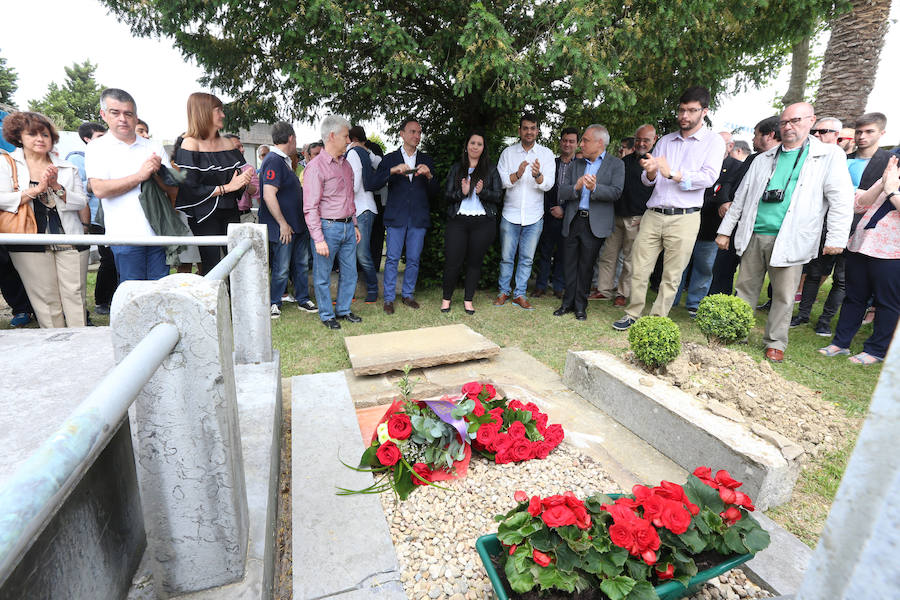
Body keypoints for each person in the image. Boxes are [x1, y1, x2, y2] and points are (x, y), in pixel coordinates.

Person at [715, 102, 853, 363]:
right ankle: (736, 333)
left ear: (811, 121)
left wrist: (836, 238)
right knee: (744, 288)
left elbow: (841, 199)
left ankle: (775, 342)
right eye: (784, 122)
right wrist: (725, 232)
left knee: (783, 295)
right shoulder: (764, 157)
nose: (789, 126)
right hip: (755, 232)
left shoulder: (829, 155)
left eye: (796, 120)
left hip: (791, 237)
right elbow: (742, 197)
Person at [612, 86, 726, 330]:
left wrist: (672, 173)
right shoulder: (665, 140)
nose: (684, 116)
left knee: (672, 274)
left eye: (691, 110)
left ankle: (657, 320)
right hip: (654, 213)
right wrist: (651, 173)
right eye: (682, 110)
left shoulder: (713, 142)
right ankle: (632, 314)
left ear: (704, 112)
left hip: (685, 217)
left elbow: (708, 178)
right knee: (639, 268)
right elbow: (649, 181)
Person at [1, 111, 88, 327]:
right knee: (45, 299)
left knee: (75, 295)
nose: (40, 139)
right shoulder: (6, 163)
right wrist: (36, 190)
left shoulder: (68, 166)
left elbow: (81, 202)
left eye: (45, 134)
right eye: (32, 134)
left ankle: (83, 344)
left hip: (70, 238)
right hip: (28, 240)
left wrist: (57, 188)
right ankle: (55, 349)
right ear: (19, 137)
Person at [86, 88, 173, 282]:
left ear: (136, 116)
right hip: (124, 235)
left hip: (158, 231)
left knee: (161, 291)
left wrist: (159, 173)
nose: (122, 119)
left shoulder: (154, 146)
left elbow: (172, 189)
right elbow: (99, 189)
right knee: (132, 294)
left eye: (128, 113)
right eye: (115, 113)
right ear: (104, 115)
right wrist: (140, 176)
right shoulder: (97, 148)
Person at [819, 157, 900, 364]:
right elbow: (858, 205)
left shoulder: (893, 185)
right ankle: (840, 343)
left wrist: (892, 191)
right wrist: (883, 183)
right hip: (862, 244)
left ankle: (875, 351)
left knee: (886, 303)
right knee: (854, 297)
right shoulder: (891, 176)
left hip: (892, 252)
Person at [174, 92, 252, 275]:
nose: (223, 115)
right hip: (205, 216)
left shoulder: (227, 143)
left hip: (231, 212)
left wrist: (242, 181)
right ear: (204, 112)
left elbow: (237, 179)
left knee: (237, 263)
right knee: (212, 266)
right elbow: (189, 188)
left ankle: (238, 302)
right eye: (219, 110)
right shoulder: (190, 144)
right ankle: (216, 303)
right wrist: (227, 188)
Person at [553, 125, 624, 320]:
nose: (581, 144)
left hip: (595, 224)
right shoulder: (576, 164)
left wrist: (595, 188)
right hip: (574, 219)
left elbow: (616, 192)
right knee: (569, 263)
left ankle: (580, 306)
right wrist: (575, 187)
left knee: (586, 266)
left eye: (585, 140)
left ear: (599, 143)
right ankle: (567, 303)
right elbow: (562, 192)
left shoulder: (616, 164)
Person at [708, 116, 781, 296]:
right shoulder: (752, 159)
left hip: (759, 228)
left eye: (756, 136)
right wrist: (725, 201)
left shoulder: (786, 162)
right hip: (734, 222)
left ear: (769, 136)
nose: (753, 140)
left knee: (750, 276)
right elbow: (728, 182)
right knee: (722, 268)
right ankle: (718, 304)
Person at [673, 131, 743, 316]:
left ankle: (694, 303)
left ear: (730, 146)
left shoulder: (737, 167)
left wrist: (721, 202)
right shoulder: (700, 159)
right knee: (678, 263)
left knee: (704, 266)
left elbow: (732, 195)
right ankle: (671, 298)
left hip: (712, 227)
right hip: (688, 219)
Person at [372, 118, 438, 314]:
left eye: (419, 132)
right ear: (402, 134)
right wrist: (392, 171)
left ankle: (408, 294)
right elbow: (373, 183)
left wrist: (429, 176)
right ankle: (389, 299)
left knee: (414, 258)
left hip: (418, 216)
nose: (417, 136)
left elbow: (435, 192)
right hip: (396, 216)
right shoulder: (390, 158)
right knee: (391, 258)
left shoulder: (426, 160)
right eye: (412, 132)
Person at [303, 115, 361, 329]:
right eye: (346, 136)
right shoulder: (316, 167)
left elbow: (350, 198)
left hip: (347, 226)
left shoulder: (346, 165)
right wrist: (318, 239)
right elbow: (310, 207)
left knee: (350, 272)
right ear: (332, 136)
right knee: (322, 275)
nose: (348, 141)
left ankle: (343, 310)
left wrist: (354, 224)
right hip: (327, 228)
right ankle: (327, 314)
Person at [495, 113, 556, 309]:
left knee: (527, 259)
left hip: (534, 216)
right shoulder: (508, 153)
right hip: (510, 214)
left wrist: (537, 175)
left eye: (532, 128)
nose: (529, 132)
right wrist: (518, 174)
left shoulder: (546, 154)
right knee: (506, 257)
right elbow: (501, 181)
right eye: (525, 128)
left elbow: (548, 185)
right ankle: (504, 291)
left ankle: (519, 294)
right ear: (520, 130)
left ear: (537, 131)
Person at [593, 124, 657, 306]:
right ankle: (603, 290)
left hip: (637, 218)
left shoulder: (654, 162)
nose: (641, 143)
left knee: (629, 259)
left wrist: (645, 217)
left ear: (654, 139)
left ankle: (622, 293)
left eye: (646, 140)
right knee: (608, 255)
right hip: (617, 215)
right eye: (638, 139)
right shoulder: (625, 161)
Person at [440, 131, 502, 314]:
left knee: (475, 263)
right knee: (452, 261)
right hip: (458, 222)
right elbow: (447, 196)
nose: (475, 146)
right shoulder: (456, 169)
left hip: (483, 222)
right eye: (472, 143)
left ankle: (468, 300)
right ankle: (446, 299)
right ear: (467, 146)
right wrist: (462, 192)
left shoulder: (490, 169)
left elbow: (498, 196)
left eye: (479, 144)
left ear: (483, 148)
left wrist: (483, 192)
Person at [260, 121, 316, 318]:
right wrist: (283, 224)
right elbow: (268, 194)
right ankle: (275, 302)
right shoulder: (274, 160)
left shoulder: (283, 160)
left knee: (300, 265)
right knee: (282, 267)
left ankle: (303, 298)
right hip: (285, 227)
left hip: (297, 225)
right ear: (291, 138)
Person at [69, 121, 118, 315]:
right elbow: (77, 188)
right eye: (99, 137)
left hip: (115, 215)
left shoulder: (111, 156)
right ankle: (102, 301)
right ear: (86, 139)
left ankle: (116, 297)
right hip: (96, 218)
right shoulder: (77, 159)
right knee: (108, 260)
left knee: (118, 259)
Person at [534, 127, 578, 299]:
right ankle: (540, 286)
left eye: (571, 141)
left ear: (577, 144)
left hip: (569, 216)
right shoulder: (552, 162)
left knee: (563, 253)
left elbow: (580, 193)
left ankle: (558, 286)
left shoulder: (580, 167)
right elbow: (544, 188)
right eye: (565, 140)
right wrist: (550, 209)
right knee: (545, 251)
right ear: (560, 142)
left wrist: (564, 210)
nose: (567, 144)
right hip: (549, 213)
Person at [346, 125, 382, 303]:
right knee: (355, 253)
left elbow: (354, 183)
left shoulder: (352, 153)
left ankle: (373, 289)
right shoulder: (365, 152)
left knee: (361, 253)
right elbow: (379, 164)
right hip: (365, 208)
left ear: (350, 138)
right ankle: (351, 293)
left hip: (361, 209)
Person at [223, 133, 260, 224]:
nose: (242, 150)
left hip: (245, 217)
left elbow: (257, 191)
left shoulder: (248, 168)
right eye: (238, 147)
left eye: (242, 146)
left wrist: (245, 183)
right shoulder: (217, 169)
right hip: (224, 217)